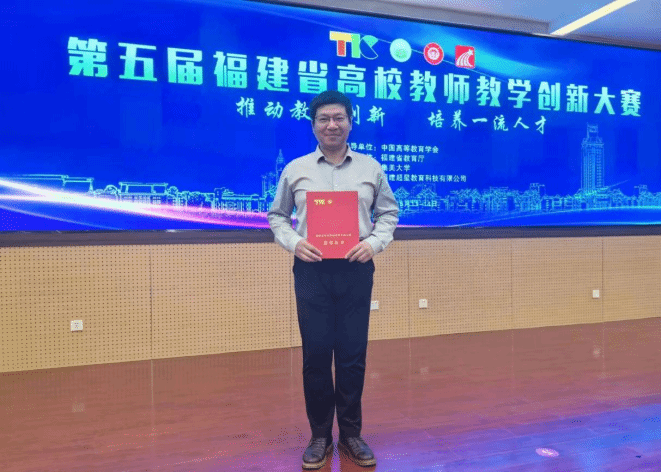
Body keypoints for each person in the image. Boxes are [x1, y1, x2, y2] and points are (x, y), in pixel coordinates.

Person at [268, 90, 399, 469]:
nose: (332, 125)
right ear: (313, 126)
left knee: (352, 356)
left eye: (339, 118)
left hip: (356, 269)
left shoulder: (371, 169)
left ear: (350, 123)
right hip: (312, 271)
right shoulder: (295, 169)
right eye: (324, 119)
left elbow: (388, 213)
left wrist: (373, 243)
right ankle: (320, 436)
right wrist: (295, 243)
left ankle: (352, 434)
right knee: (316, 355)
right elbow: (277, 216)